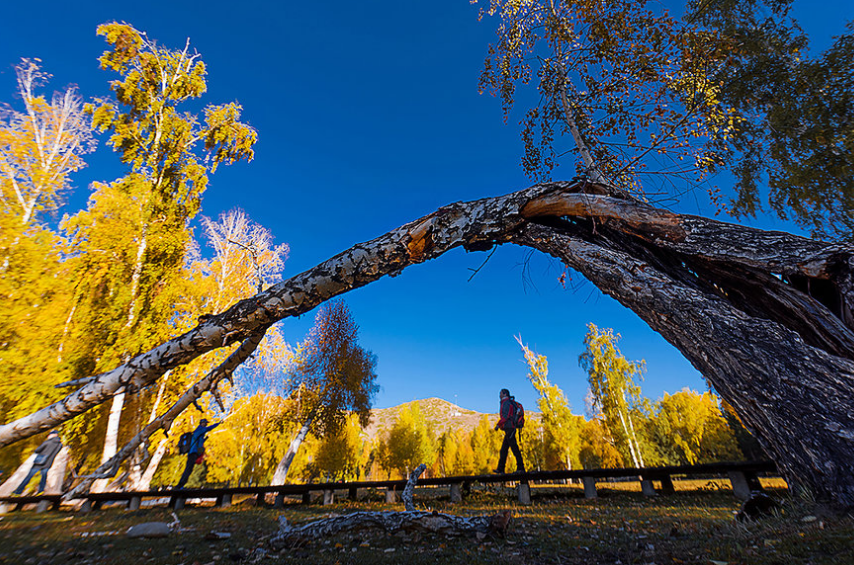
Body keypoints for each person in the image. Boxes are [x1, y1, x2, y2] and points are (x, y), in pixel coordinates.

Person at [175, 418, 220, 489]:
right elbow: (208, 429)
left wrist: (204, 440)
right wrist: (218, 423)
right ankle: (180, 485)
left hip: (194, 453)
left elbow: (199, 442)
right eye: (205, 423)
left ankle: (181, 485)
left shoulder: (200, 432)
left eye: (206, 423)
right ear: (201, 423)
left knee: (189, 469)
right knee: (188, 469)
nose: (206, 425)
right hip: (193, 453)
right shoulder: (200, 430)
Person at [14, 430, 62, 495]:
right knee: (44, 477)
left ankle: (18, 491)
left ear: (53, 435)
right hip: (48, 463)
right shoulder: (60, 444)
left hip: (39, 462)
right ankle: (41, 491)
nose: (48, 436)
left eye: (49, 435)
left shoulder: (47, 442)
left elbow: (37, 450)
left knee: (29, 477)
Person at [494, 388, 525, 474]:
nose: (499, 395)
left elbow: (506, 416)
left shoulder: (506, 403)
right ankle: (501, 469)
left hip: (509, 427)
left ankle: (520, 468)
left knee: (514, 449)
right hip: (510, 427)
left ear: (504, 394)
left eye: (500, 393)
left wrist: (498, 425)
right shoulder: (508, 402)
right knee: (504, 449)